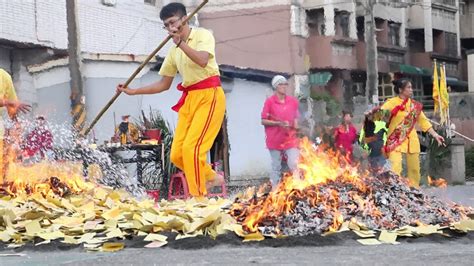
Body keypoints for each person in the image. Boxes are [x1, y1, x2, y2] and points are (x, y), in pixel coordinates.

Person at [116, 3, 225, 197]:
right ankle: (211, 176)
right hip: (190, 99)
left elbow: (202, 60)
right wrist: (133, 91)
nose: (170, 28)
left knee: (192, 149)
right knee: (177, 154)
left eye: (173, 22)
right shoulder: (174, 52)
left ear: (185, 19)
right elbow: (163, 84)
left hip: (210, 95)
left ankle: (199, 199)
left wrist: (180, 43)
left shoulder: (202, 35)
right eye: (166, 25)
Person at [376, 78, 444, 187]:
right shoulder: (391, 103)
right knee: (395, 167)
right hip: (395, 140)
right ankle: (394, 189)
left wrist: (435, 135)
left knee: (414, 170)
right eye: (409, 87)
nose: (411, 90)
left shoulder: (414, 105)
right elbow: (378, 116)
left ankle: (415, 191)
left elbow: (423, 121)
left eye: (411, 87)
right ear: (400, 90)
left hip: (412, 140)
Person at [261, 75, 299, 186]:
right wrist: (278, 123)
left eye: (285, 84)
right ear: (276, 87)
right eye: (281, 84)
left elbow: (296, 118)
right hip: (274, 140)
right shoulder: (269, 102)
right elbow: (263, 120)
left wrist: (295, 126)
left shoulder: (292, 101)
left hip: (290, 139)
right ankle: (275, 190)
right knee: (276, 167)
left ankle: (298, 186)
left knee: (294, 163)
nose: (284, 86)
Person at [0, 68, 31, 182]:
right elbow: (10, 102)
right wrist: (7, 102)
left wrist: (17, 126)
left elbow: (13, 106)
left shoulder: (4, 76)